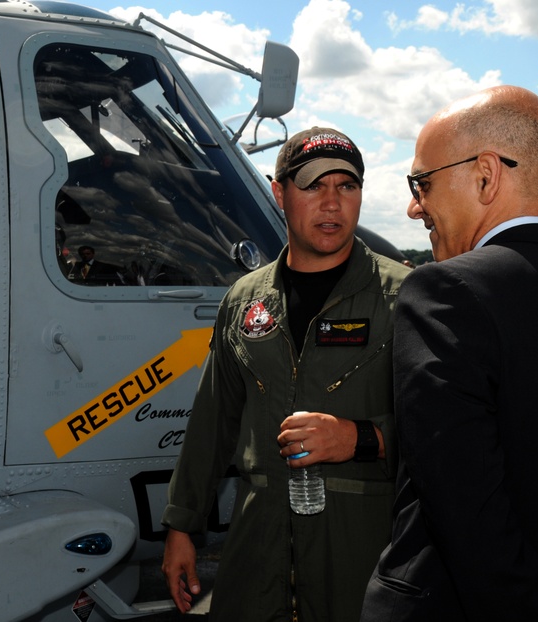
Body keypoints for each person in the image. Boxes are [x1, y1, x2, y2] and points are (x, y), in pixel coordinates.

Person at [162, 128, 411, 621]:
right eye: (314, 185)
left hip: (364, 559)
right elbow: (213, 422)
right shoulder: (245, 300)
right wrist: (181, 527)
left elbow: (452, 435)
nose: (332, 204)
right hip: (258, 554)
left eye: (346, 186)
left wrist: (360, 438)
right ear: (279, 192)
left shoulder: (406, 297)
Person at [361, 86, 538, 620]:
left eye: (422, 183)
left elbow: (466, 512)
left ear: (486, 175)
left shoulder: (444, 292)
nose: (414, 207)